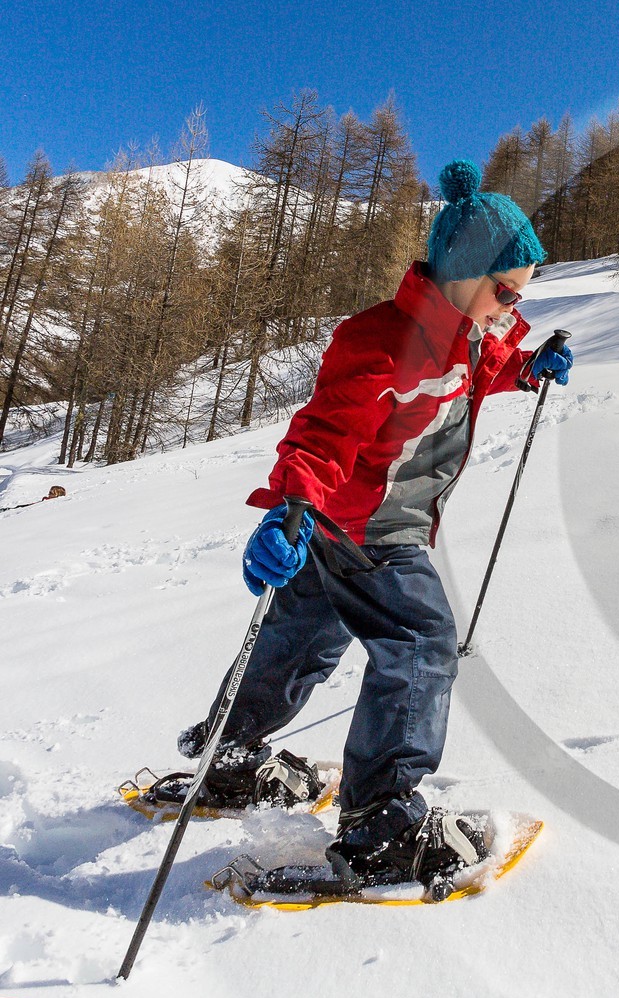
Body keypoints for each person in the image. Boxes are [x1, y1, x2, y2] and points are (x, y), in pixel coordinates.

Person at [176, 159, 573, 883]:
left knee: (298, 643)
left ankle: (228, 759)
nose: (512, 308)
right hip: (368, 528)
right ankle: (380, 824)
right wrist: (292, 502)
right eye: (506, 290)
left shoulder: (470, 336)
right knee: (420, 638)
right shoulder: (385, 341)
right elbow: (323, 433)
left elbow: (483, 368)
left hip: (351, 525)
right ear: (464, 269)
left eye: (522, 297)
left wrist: (529, 366)